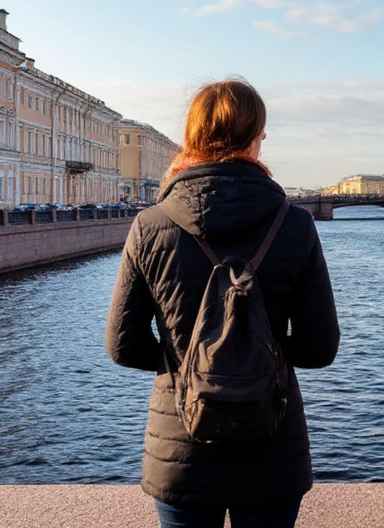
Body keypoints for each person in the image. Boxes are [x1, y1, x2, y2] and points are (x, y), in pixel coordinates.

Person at [106, 78, 340, 528]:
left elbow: (122, 345)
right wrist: (256, 357)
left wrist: (189, 360)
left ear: (191, 137)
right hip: (272, 445)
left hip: (181, 445)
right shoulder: (294, 224)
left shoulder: (150, 225)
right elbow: (319, 349)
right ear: (254, 139)